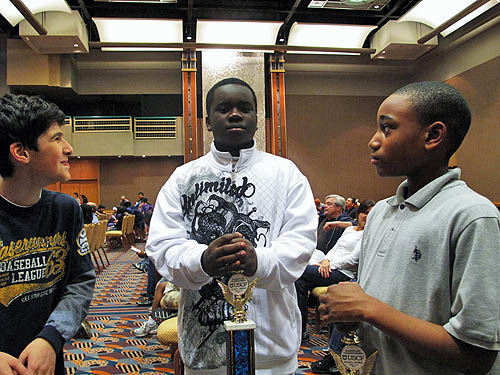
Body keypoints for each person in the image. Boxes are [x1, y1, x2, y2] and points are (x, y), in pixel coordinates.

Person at [318, 81, 500, 375]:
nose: (373, 141)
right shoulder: (380, 212)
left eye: (387, 128)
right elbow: (380, 307)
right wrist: (350, 314)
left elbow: (476, 355)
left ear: (433, 136)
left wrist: (368, 309)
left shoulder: (472, 216)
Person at [147, 77, 317, 374]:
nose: (235, 114)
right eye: (224, 108)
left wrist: (258, 261)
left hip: (272, 345)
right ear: (208, 121)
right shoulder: (184, 178)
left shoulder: (285, 174)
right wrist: (201, 261)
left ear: (257, 120)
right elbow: (163, 247)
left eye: (245, 108)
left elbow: (300, 245)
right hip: (204, 346)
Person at [0, 94, 96, 375]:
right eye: (56, 139)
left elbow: (80, 281)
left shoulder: (66, 210)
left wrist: (51, 337)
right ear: (21, 152)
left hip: (44, 361)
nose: (69, 148)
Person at [296, 199, 375, 344]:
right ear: (358, 214)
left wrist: (330, 265)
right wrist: (326, 261)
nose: (367, 217)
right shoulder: (350, 229)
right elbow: (335, 249)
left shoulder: (368, 234)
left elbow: (353, 259)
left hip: (343, 273)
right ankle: (301, 331)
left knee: (297, 269)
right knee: (299, 282)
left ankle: (300, 330)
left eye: (371, 214)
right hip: (329, 268)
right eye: (364, 213)